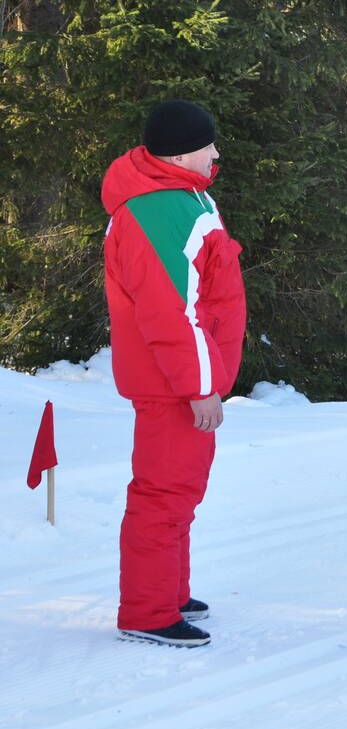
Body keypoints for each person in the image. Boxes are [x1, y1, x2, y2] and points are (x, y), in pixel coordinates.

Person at [103, 100, 246, 647]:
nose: (215, 153)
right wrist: (199, 386)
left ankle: (169, 590)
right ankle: (148, 611)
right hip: (173, 384)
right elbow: (172, 312)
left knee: (180, 489)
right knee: (163, 493)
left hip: (178, 379)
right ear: (182, 152)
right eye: (208, 145)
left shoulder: (180, 196)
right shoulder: (160, 209)